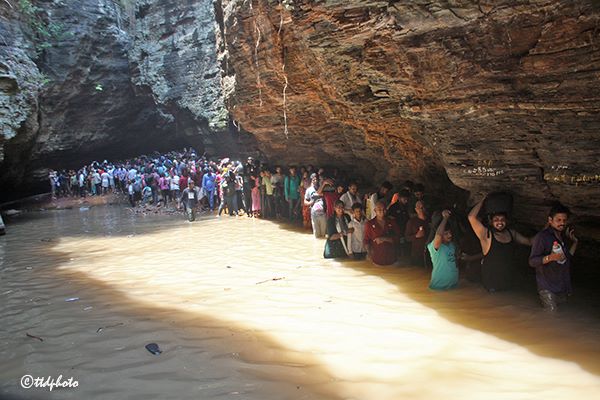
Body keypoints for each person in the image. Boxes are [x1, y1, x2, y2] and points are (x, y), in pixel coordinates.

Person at [468, 197, 532, 292]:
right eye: (496, 220)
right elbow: (471, 217)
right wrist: (483, 200)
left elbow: (529, 242)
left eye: (502, 219)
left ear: (506, 221)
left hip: (508, 283)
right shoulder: (486, 235)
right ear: (491, 222)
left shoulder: (512, 233)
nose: (500, 222)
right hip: (491, 284)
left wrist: (546, 229)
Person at [529, 203, 578, 312]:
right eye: (558, 220)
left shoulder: (562, 236)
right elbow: (532, 261)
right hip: (547, 287)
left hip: (561, 285)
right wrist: (550, 258)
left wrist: (575, 242)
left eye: (564, 220)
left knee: (561, 315)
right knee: (551, 315)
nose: (562, 223)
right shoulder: (542, 237)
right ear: (550, 220)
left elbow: (566, 258)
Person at [427, 210, 458, 290]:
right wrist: (445, 218)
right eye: (446, 233)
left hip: (453, 286)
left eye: (450, 233)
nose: (450, 235)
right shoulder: (434, 246)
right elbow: (439, 235)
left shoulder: (452, 245)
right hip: (439, 287)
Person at [364, 201, 401, 266]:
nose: (382, 212)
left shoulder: (392, 222)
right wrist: (369, 252)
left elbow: (398, 238)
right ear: (375, 210)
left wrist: (384, 239)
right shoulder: (369, 224)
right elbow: (366, 240)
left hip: (392, 258)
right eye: (379, 210)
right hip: (377, 259)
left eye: (384, 209)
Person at [405, 200, 430, 266]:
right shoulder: (412, 222)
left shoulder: (430, 220)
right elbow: (407, 238)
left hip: (430, 252)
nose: (422, 209)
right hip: (417, 253)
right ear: (416, 209)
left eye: (423, 207)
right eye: (420, 208)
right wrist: (416, 236)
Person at [304, 173, 328, 238]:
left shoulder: (324, 188)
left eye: (316, 179)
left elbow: (320, 193)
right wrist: (310, 203)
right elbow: (305, 202)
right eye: (313, 180)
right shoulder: (308, 190)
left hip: (323, 214)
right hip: (314, 214)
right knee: (317, 235)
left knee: (323, 234)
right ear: (311, 181)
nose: (315, 181)